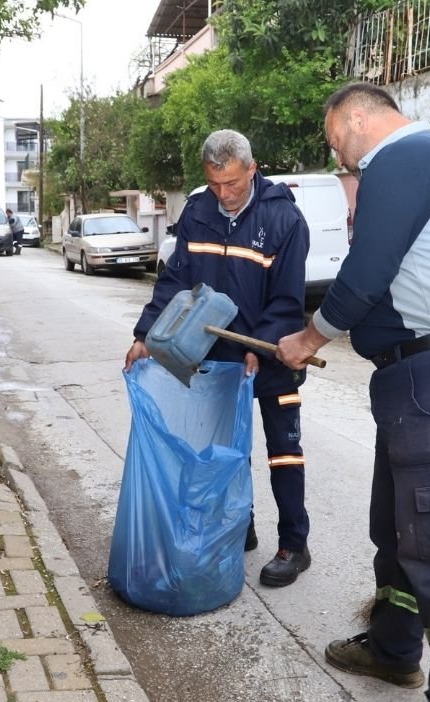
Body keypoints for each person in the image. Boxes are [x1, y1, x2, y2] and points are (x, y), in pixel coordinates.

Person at [277, 83, 430, 702]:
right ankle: (394, 649)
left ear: (356, 117)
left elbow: (369, 269)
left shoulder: (401, 157)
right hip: (421, 375)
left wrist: (307, 336)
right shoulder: (428, 160)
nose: (343, 162)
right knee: (399, 524)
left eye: (338, 148)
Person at [125, 129, 313, 588]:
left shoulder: (284, 219)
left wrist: (259, 345)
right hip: (213, 357)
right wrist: (147, 333)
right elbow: (175, 281)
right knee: (227, 448)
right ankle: (238, 525)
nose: (224, 195)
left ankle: (294, 544)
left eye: (232, 183)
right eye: (214, 185)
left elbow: (289, 300)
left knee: (283, 451)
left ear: (252, 169)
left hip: (272, 355)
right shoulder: (198, 212)